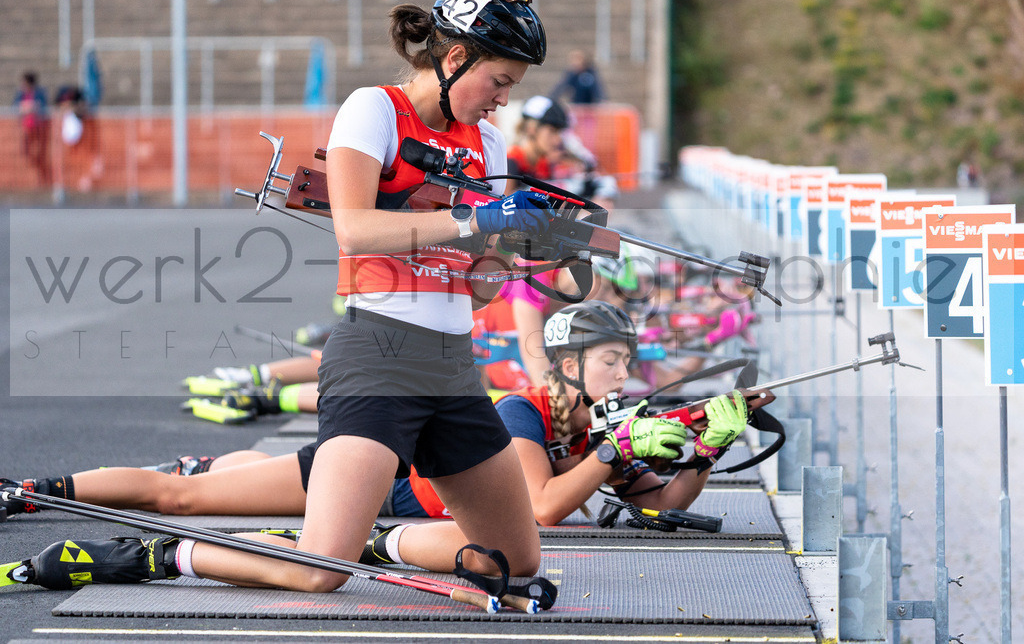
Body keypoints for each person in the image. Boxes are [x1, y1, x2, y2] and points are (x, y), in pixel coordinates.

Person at [2, 0, 557, 595]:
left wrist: (522, 258)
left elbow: (477, 288)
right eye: (500, 81)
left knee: (513, 556)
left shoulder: (486, 140)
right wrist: (476, 218)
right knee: (319, 570)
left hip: (453, 370)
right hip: (379, 361)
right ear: (456, 58)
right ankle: (162, 557)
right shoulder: (375, 109)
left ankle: (376, 545)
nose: (503, 99)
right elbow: (354, 229)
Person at [1, 302, 769, 558]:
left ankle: (211, 461)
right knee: (181, 498)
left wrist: (706, 449)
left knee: (214, 483)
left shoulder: (605, 427)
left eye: (626, 363)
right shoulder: (523, 412)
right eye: (607, 362)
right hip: (384, 476)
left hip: (394, 505)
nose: (621, 378)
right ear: (566, 364)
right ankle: (31, 491)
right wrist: (610, 452)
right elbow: (540, 506)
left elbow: (663, 504)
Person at [13, 71, 50, 187]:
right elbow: (16, 107)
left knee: (40, 151)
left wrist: (29, 107)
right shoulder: (20, 94)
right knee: (25, 150)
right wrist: (30, 107)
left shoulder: (39, 93)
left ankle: (41, 176)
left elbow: (41, 106)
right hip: (25, 127)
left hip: (38, 127)